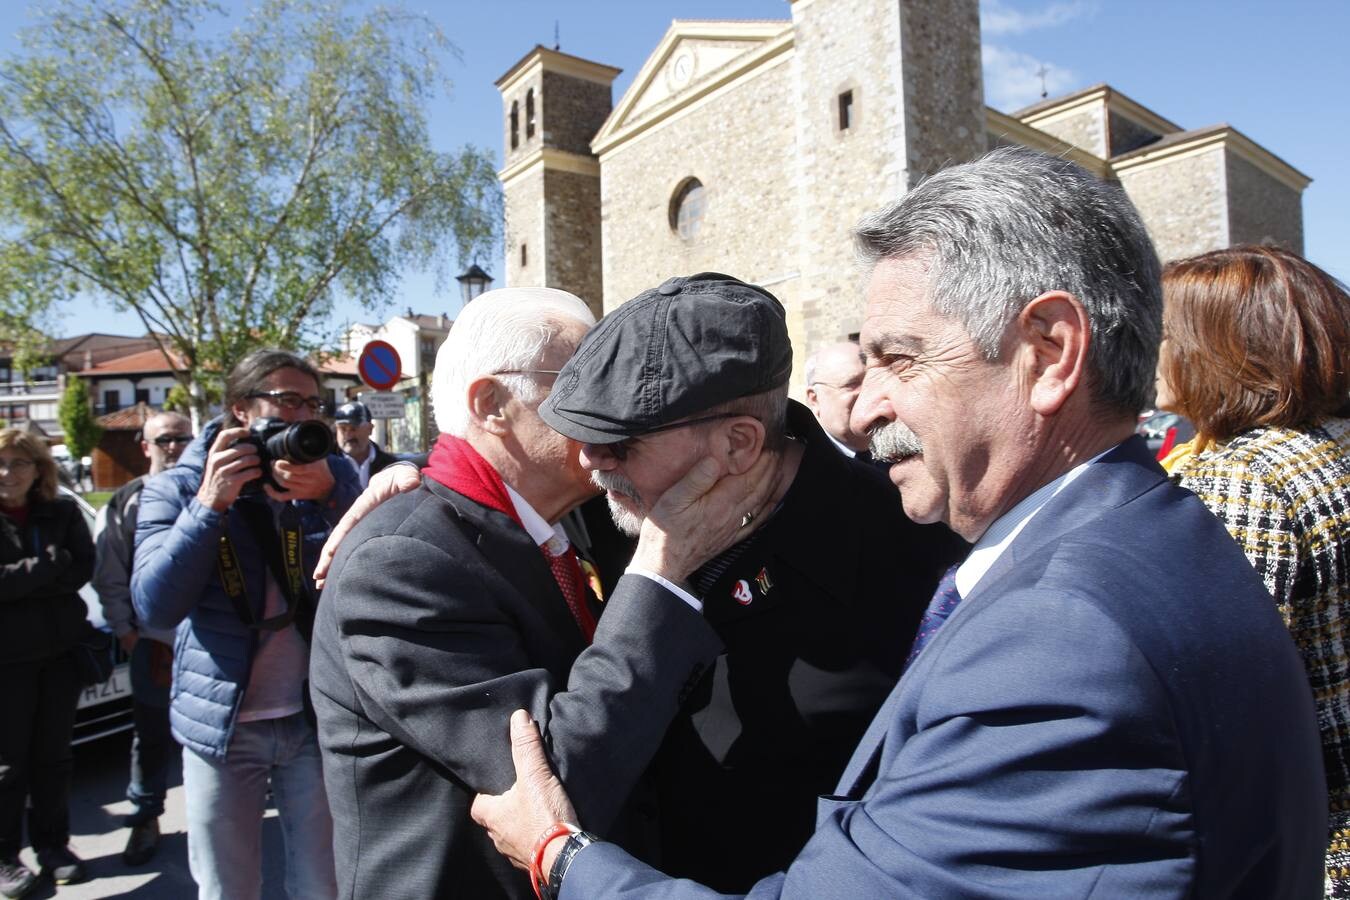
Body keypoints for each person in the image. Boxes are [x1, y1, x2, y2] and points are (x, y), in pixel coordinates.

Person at [470, 147, 1327, 898]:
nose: (867, 405)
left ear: (1049, 352)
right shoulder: (1138, 532)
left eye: (900, 358)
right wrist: (425, 489)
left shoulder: (1062, 634)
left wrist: (560, 858)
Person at [310, 287, 763, 899]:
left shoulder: (571, 505)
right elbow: (552, 783)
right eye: (583, 380)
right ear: (493, 403)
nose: (614, 403)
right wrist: (661, 564)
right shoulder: (401, 561)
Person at [1154, 245, 1350, 897]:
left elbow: (1223, 701)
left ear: (1218, 350)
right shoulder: (1322, 450)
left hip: (1305, 853)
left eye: (1162, 332)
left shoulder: (1243, 479)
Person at [132, 350, 360, 900]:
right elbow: (155, 607)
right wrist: (210, 506)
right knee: (228, 887)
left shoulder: (329, 471)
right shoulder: (179, 487)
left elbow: (380, 568)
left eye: (312, 403)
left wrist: (333, 497)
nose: (303, 417)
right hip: (223, 727)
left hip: (312, 716)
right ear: (239, 409)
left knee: (322, 883)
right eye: (287, 401)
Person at [91, 410, 193, 866]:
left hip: (211, 643)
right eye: (165, 440)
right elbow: (110, 576)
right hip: (156, 646)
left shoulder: (207, 492)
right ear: (145, 445)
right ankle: (146, 817)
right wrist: (129, 634)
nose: (174, 447)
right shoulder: (127, 502)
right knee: (150, 737)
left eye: (181, 438)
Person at [0, 429, 95, 898]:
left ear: (39, 469)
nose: (7, 473)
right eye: (0, 462)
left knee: (54, 761)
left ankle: (53, 847)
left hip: (60, 657)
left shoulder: (61, 512)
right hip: (7, 665)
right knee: (7, 767)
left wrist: (27, 578)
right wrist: (47, 566)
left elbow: (82, 568)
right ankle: (4, 858)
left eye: (19, 463)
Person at [803, 341, 870, 457]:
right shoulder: (800, 464)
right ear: (815, 399)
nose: (869, 393)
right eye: (852, 384)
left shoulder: (899, 451)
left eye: (871, 381)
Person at [332, 401, 399, 488]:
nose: (348, 435)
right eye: (343, 429)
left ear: (370, 429)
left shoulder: (390, 466)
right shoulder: (325, 465)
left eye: (354, 428)